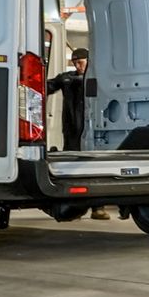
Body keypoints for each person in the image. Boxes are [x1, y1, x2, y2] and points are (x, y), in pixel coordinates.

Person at [47, 48, 111, 219]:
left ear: (89, 61)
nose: (78, 66)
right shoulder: (66, 79)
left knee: (94, 167)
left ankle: (98, 208)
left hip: (92, 130)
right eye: (75, 63)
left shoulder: (97, 79)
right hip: (71, 131)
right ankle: (73, 208)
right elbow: (47, 87)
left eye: (81, 62)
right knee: (72, 169)